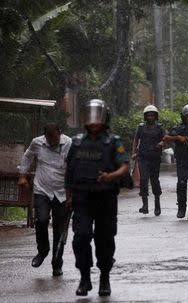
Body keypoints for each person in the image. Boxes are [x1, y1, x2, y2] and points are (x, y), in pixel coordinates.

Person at [65, 99, 130, 297]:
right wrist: (68, 196)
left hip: (105, 198)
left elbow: (124, 165)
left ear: (104, 119)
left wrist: (112, 176)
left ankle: (104, 277)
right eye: (91, 116)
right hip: (82, 198)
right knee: (81, 238)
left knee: (104, 239)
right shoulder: (77, 143)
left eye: (97, 117)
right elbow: (69, 172)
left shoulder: (113, 142)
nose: (94, 121)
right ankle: (84, 278)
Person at [17, 123, 72, 276]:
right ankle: (42, 251)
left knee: (59, 228)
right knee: (41, 220)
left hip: (62, 192)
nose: (51, 142)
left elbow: (74, 167)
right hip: (42, 189)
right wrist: (22, 175)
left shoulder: (69, 143)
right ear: (45, 136)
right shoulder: (37, 142)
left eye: (53, 138)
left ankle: (57, 263)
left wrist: (72, 195)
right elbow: (28, 155)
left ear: (59, 133)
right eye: (48, 139)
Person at [131, 105, 165, 215]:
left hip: (154, 158)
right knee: (143, 180)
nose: (150, 117)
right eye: (148, 115)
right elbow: (135, 141)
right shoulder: (141, 127)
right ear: (145, 117)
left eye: (152, 115)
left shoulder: (160, 127)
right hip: (142, 157)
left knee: (154, 180)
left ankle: (157, 204)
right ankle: (145, 205)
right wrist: (134, 153)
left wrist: (162, 143)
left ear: (156, 116)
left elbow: (166, 138)